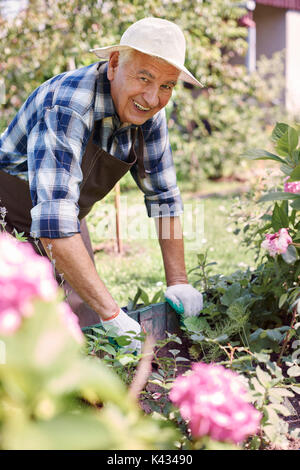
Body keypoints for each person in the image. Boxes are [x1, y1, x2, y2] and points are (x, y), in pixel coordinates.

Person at [0, 17, 203, 353]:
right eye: (144, 78)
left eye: (167, 85)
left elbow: (164, 197)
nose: (153, 98)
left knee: (83, 314)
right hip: (8, 207)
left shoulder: (150, 113)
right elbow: (54, 226)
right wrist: (114, 315)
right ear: (113, 65)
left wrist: (178, 282)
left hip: (65, 209)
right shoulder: (68, 104)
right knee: (20, 318)